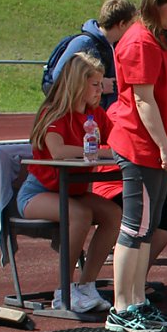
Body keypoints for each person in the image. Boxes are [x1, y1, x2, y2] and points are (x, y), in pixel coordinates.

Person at [104, 0, 167, 332]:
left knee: (147, 228)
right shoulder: (139, 41)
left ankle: (138, 300)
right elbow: (143, 99)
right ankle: (120, 307)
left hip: (155, 148)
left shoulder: (164, 40)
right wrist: (163, 146)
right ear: (156, 4)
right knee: (134, 228)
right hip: (139, 148)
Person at [16, 52, 121, 312]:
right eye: (95, 85)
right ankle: (63, 290)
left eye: (101, 84)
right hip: (37, 194)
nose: (101, 90)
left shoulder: (96, 114)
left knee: (113, 214)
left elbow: (119, 141)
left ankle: (86, 285)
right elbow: (58, 151)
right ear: (77, 84)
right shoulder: (53, 113)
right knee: (80, 214)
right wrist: (102, 151)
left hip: (73, 192)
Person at [93, 131, 167, 299]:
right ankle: (136, 282)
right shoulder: (123, 116)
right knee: (165, 215)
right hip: (120, 183)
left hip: (158, 179)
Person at [51, 0, 138, 109]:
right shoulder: (83, 42)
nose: (134, 29)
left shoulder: (116, 45)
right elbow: (59, 77)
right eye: (132, 23)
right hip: (83, 114)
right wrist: (99, 85)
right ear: (122, 24)